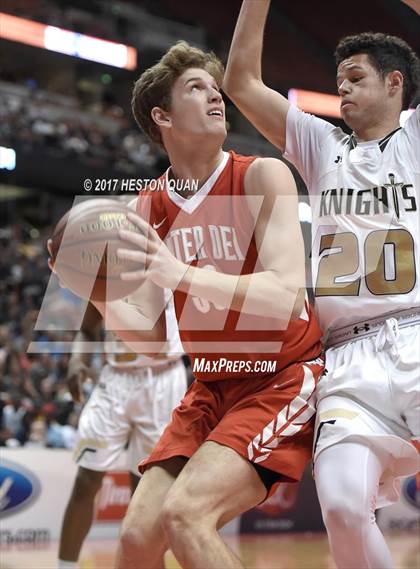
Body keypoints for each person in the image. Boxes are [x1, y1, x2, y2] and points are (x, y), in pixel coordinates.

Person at [71, 41, 326, 569]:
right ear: (161, 116)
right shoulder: (149, 204)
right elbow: (143, 330)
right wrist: (87, 286)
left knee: (185, 515)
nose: (216, 98)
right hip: (210, 385)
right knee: (136, 539)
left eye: (217, 90)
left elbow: (284, 293)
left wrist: (180, 274)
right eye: (197, 88)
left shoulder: (262, 175)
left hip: (280, 377)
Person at [223, 1, 420, 568]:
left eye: (355, 79)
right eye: (339, 83)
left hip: (414, 332)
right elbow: (239, 81)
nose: (343, 92)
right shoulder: (320, 145)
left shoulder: (413, 140)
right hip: (347, 360)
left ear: (395, 83)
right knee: (340, 507)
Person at [56, 297, 187, 569]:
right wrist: (76, 361)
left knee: (146, 496)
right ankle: (64, 566)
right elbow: (88, 328)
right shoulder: (107, 268)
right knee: (85, 480)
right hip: (116, 378)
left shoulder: (177, 263)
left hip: (164, 379)